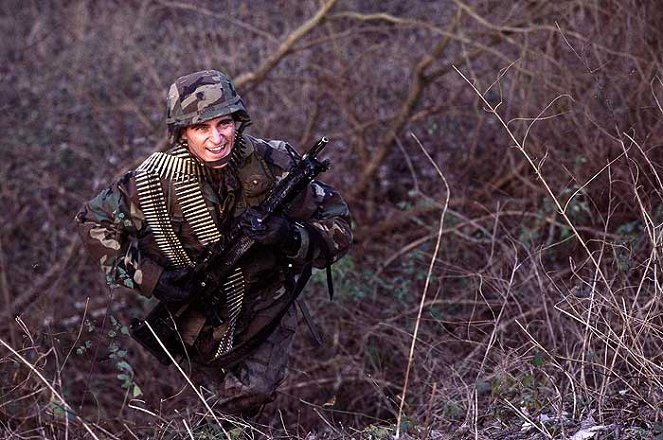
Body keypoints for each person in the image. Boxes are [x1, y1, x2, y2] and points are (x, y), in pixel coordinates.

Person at [75, 69, 352, 419]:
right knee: (216, 406)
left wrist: (291, 235)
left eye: (224, 123)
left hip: (263, 305)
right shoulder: (153, 180)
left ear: (238, 121)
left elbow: (339, 226)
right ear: (182, 133)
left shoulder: (274, 162)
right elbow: (93, 222)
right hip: (197, 315)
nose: (216, 138)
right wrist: (153, 278)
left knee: (251, 394)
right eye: (201, 128)